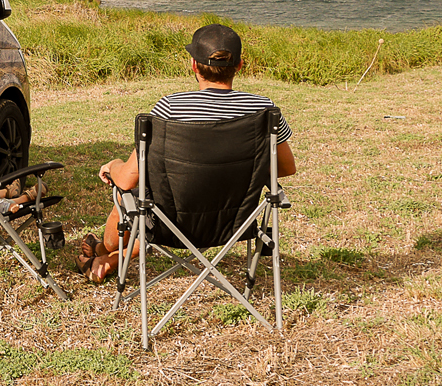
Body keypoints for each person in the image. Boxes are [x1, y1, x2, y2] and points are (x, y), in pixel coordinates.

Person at [79, 24, 298, 282]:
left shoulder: (169, 108)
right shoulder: (263, 109)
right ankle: (108, 257)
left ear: (194, 65)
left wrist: (113, 165)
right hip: (236, 223)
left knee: (125, 193)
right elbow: (286, 168)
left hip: (171, 225)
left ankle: (104, 251)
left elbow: (127, 178)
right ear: (239, 66)